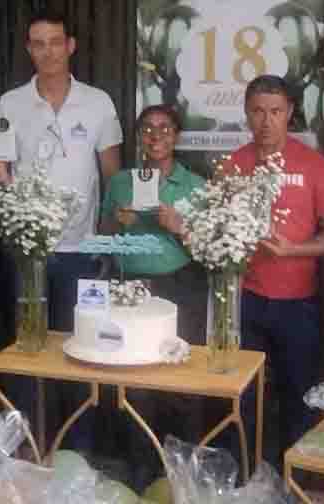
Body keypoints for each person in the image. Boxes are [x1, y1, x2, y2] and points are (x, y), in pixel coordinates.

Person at [0, 10, 123, 451]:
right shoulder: (10, 104)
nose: (48, 52)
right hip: (30, 252)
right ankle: (29, 441)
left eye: (55, 42)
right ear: (29, 49)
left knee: (81, 350)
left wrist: (104, 240)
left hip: (82, 250)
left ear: (71, 46)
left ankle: (78, 448)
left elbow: (113, 177)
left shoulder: (98, 103)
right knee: (29, 349)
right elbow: (2, 169)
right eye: (38, 44)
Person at [228, 74, 324, 464]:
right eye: (258, 111)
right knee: (243, 396)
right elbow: (218, 225)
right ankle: (244, 477)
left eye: (275, 111)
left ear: (289, 112)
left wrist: (293, 250)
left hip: (298, 304)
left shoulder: (315, 166)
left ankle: (292, 482)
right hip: (246, 299)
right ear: (246, 113)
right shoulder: (233, 165)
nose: (266, 121)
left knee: (297, 398)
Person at [99, 103, 207, 488]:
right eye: (147, 128)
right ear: (139, 137)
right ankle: (141, 466)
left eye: (164, 128)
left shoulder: (195, 185)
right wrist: (118, 221)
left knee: (180, 379)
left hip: (181, 286)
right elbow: (103, 235)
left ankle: (183, 469)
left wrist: (179, 226)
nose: (155, 135)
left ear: (177, 136)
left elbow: (210, 250)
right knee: (136, 379)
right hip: (132, 289)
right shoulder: (121, 183)